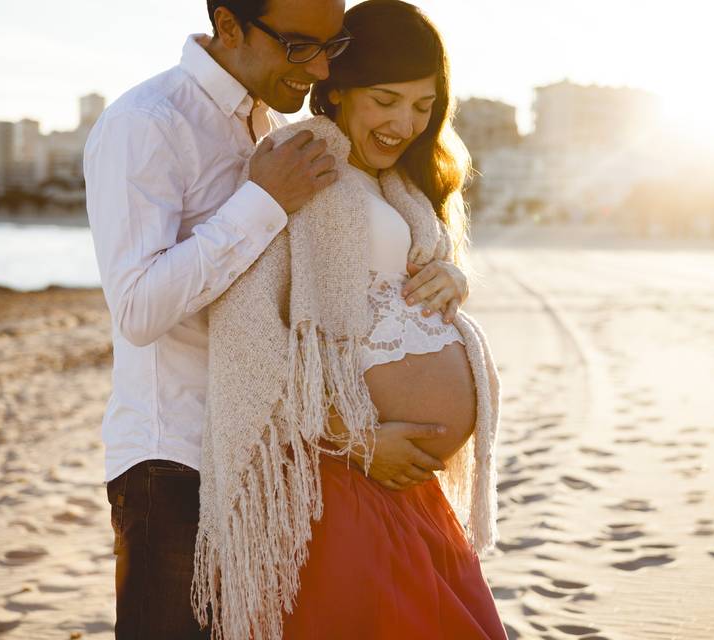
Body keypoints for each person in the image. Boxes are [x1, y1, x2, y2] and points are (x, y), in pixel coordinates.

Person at [83, 0, 471, 637]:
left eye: (330, 46)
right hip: (176, 463)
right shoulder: (148, 123)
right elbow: (138, 308)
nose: (318, 67)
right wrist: (261, 202)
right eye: (299, 46)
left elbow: (325, 300)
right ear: (229, 25)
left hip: (280, 460)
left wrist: (445, 276)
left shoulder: (272, 120)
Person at [192, 2, 506, 638]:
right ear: (335, 89)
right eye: (386, 100)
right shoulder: (300, 163)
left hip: (403, 487)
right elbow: (246, 335)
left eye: (422, 106)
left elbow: (398, 284)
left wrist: (454, 276)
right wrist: (356, 441)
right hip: (344, 481)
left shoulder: (399, 188)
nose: (405, 123)